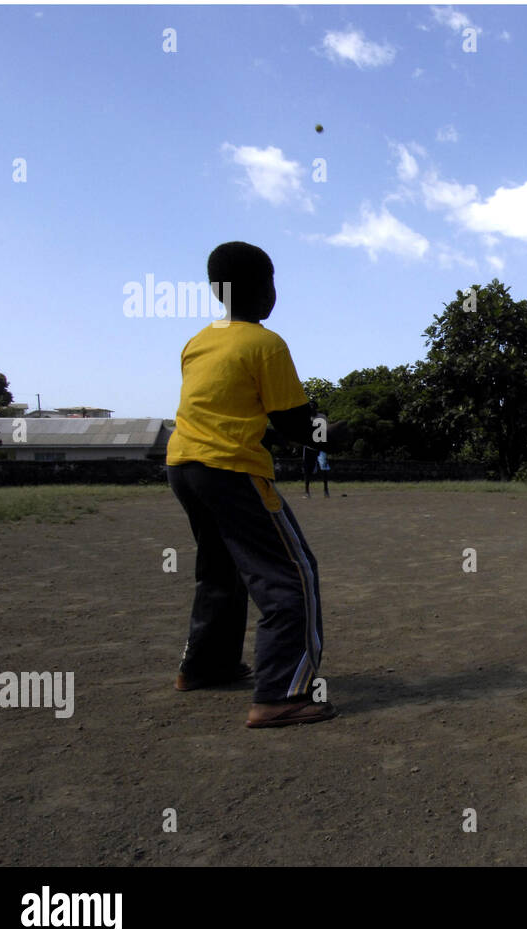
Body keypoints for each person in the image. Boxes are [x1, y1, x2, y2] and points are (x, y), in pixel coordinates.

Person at [166, 240, 338, 729]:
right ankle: (280, 693)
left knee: (220, 567)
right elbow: (296, 426)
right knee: (291, 574)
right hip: (231, 469)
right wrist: (340, 431)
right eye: (272, 282)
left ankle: (206, 665)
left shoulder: (200, 341)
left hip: (184, 465)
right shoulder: (266, 344)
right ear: (265, 287)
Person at [302, 403, 330, 499]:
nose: (311, 408)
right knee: (307, 470)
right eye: (310, 407)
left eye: (313, 407)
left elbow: (326, 430)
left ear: (316, 408)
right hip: (309, 447)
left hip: (320, 446)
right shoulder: (306, 418)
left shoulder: (322, 417)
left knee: (324, 468)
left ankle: (326, 491)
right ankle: (307, 492)